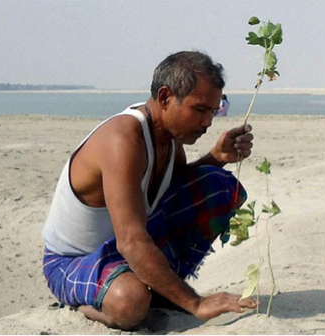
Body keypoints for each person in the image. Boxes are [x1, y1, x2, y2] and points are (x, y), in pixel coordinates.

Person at [42, 51, 256, 330]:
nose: (208, 122)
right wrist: (195, 303)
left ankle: (159, 289)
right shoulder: (123, 140)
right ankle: (89, 305)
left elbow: (174, 192)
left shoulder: (169, 140)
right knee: (130, 301)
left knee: (217, 186)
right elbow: (131, 241)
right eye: (200, 110)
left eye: (213, 112)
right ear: (166, 98)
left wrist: (216, 157)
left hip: (121, 253)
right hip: (72, 262)